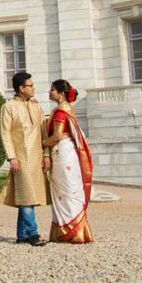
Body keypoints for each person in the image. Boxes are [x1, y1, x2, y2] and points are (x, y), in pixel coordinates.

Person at [0, 71, 51, 246]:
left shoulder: (36, 107)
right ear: (21, 88)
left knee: (28, 195)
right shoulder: (9, 107)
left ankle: (22, 235)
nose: (33, 88)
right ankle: (33, 234)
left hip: (36, 157)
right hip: (20, 158)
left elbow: (43, 132)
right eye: (31, 85)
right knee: (28, 195)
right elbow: (5, 133)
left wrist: (46, 154)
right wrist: (11, 157)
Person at [44, 79, 94, 244]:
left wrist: (41, 143)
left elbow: (57, 136)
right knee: (70, 190)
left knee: (63, 191)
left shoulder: (60, 112)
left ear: (60, 94)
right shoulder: (68, 109)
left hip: (62, 152)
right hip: (68, 151)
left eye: (52, 90)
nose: (50, 92)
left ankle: (68, 231)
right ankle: (77, 230)